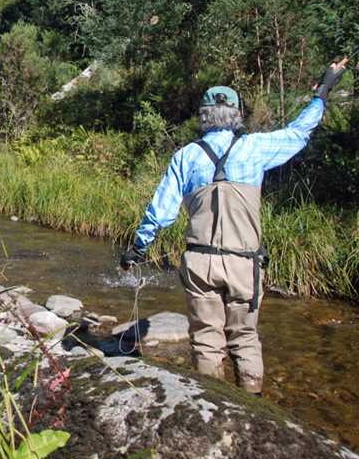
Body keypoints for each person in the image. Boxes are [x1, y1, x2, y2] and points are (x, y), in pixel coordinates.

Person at [120, 58, 350, 394]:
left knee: (206, 340)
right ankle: (253, 404)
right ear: (237, 114)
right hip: (244, 263)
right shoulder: (255, 148)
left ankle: (214, 406)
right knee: (244, 338)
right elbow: (300, 132)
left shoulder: (186, 156)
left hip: (199, 262)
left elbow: (160, 212)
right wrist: (324, 89)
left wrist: (137, 250)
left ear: (204, 116)